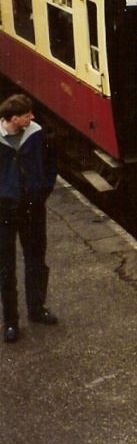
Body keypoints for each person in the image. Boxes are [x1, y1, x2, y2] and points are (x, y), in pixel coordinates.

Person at [0, 94, 58, 343]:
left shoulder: (37, 134)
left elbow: (50, 166)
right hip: (4, 212)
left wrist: (42, 192)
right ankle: (11, 322)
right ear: (14, 119)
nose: (32, 118)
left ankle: (36, 309)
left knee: (36, 260)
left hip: (32, 209)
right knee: (6, 268)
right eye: (27, 115)